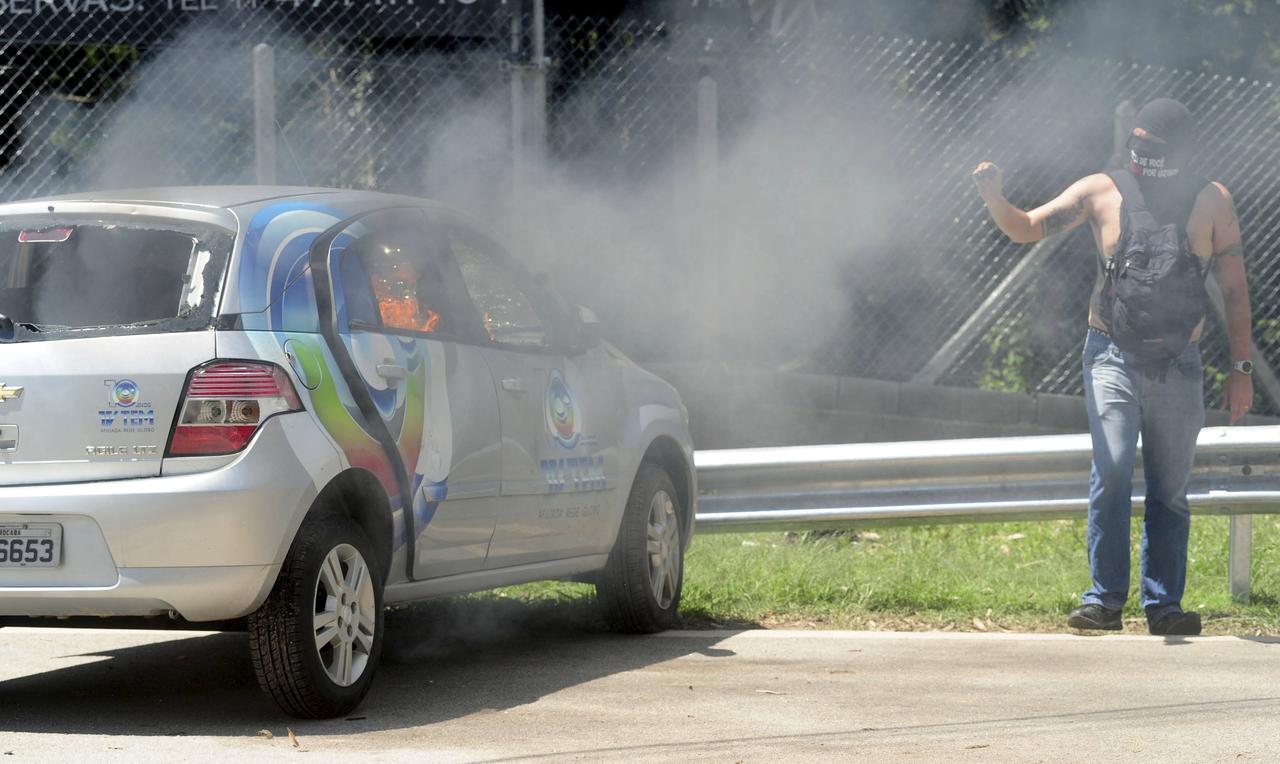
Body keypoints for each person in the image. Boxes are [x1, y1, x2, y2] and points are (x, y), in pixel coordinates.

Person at [970, 98, 1254, 636]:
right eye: (1138, 144)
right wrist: (994, 196)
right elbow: (1027, 227)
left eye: (1155, 147)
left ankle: (1164, 606)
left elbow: (1236, 289)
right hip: (1111, 356)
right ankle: (1103, 601)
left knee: (1170, 488)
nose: (1143, 156)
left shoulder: (1213, 200)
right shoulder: (1100, 188)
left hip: (1180, 362)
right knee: (1115, 468)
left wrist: (1241, 368)